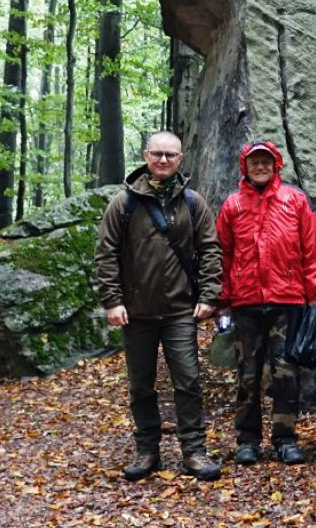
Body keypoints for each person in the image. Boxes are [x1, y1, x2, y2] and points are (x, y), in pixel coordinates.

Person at [94, 130, 223, 481]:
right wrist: (112, 300)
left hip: (181, 310)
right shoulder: (124, 203)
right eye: (157, 154)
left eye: (170, 155)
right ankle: (147, 450)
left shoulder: (194, 202)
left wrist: (209, 295)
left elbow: (211, 250)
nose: (163, 160)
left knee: (188, 381)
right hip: (136, 312)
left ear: (181, 159)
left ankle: (194, 451)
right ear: (146, 156)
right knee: (141, 385)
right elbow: (106, 254)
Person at [216, 140, 316, 466]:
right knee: (248, 375)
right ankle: (247, 440)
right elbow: (222, 254)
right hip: (245, 302)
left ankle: (285, 438)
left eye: (266, 161)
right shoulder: (232, 205)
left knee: (286, 374)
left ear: (276, 165)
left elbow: (313, 249)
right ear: (245, 167)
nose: (260, 166)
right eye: (254, 162)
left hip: (287, 300)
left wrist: (315, 295)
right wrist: (222, 300)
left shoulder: (295, 201)